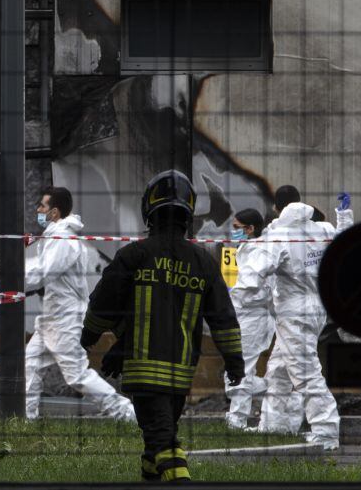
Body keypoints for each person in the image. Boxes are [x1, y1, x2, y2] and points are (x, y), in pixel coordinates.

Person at [80, 170, 244, 482]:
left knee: (164, 442)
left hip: (143, 370)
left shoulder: (134, 255)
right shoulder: (203, 262)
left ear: (149, 210)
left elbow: (104, 302)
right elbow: (223, 319)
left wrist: (90, 334)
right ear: (188, 213)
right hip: (180, 373)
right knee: (156, 438)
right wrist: (234, 362)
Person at [0, 187, 136, 422]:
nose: (38, 210)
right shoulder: (56, 236)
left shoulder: (63, 239)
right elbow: (42, 267)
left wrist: (2, 284)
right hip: (52, 318)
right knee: (29, 365)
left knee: (77, 376)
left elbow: (43, 272)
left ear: (54, 212)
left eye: (42, 206)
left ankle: (128, 414)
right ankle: (26, 420)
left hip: (65, 320)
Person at [244, 186, 353, 449]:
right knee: (279, 369)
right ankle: (274, 424)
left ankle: (326, 432)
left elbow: (254, 274)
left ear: (277, 209)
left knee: (305, 372)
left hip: (293, 313)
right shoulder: (319, 230)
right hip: (316, 309)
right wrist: (345, 214)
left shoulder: (280, 236)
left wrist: (243, 299)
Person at [223, 208, 275, 431]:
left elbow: (249, 286)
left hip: (254, 317)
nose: (233, 232)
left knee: (242, 369)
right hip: (244, 315)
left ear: (251, 229)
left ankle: (237, 420)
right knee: (233, 373)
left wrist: (223, 301)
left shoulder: (260, 252)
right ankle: (280, 390)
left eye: (237, 228)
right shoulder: (245, 248)